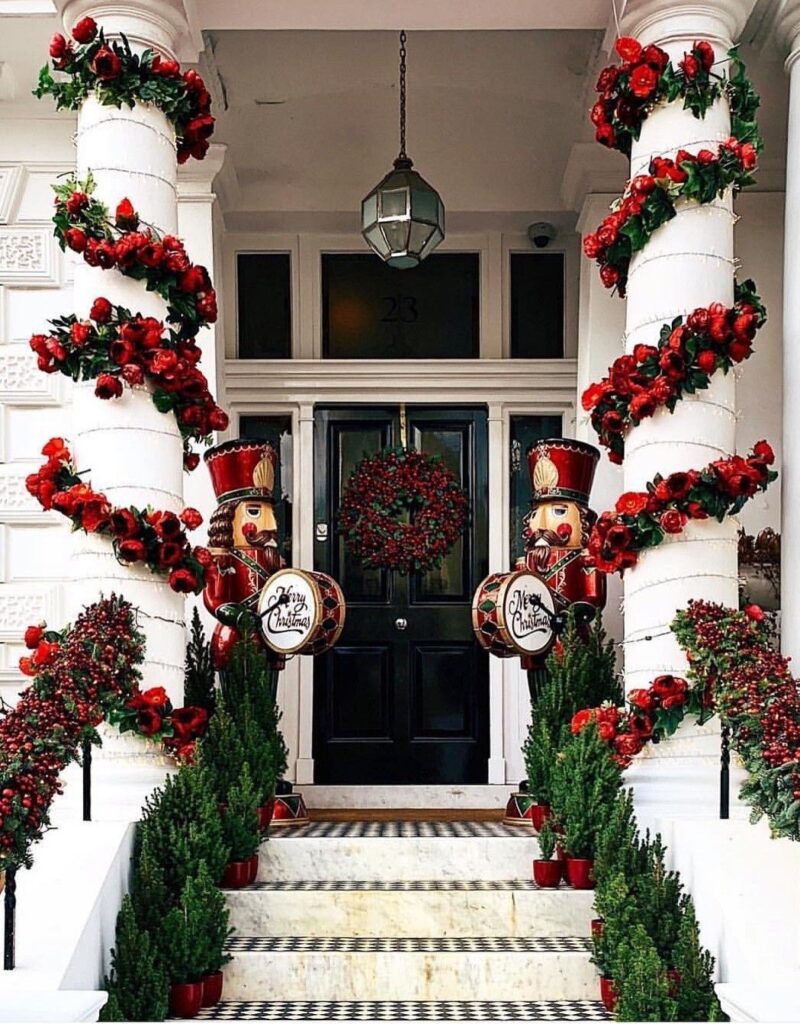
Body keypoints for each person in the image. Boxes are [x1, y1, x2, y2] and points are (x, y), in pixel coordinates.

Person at [518, 437, 606, 699]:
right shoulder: (525, 562)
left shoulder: (587, 559)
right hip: (534, 641)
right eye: (536, 514)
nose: (542, 523)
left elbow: (594, 599)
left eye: (558, 512)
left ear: (584, 521)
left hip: (572, 640)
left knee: (574, 697)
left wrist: (572, 616)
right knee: (540, 697)